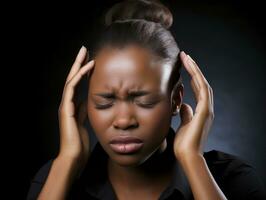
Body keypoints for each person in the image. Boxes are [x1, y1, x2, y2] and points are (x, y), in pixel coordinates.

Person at [27, 0, 266, 199]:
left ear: (176, 100)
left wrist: (192, 161)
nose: (123, 121)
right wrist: (66, 161)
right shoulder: (57, 179)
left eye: (145, 101)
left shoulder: (234, 180)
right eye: (104, 102)